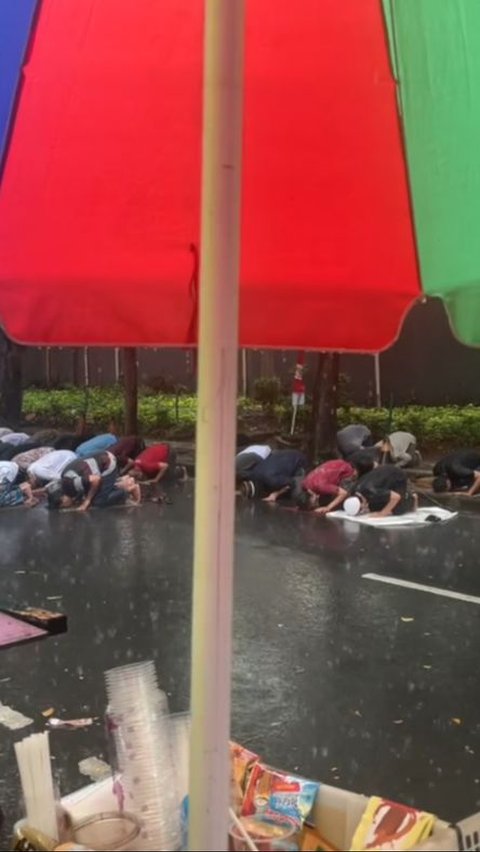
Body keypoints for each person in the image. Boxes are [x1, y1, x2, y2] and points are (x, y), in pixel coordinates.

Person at [48, 452, 140, 511]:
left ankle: (129, 489)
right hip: (101, 458)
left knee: (99, 502)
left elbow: (96, 480)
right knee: (95, 494)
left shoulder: (72, 484)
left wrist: (87, 501)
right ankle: (124, 482)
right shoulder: (65, 481)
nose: (66, 506)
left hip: (107, 464)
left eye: (64, 505)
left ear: (63, 498)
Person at [296, 451, 375, 514]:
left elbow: (344, 493)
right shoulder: (305, 483)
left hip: (347, 471)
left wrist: (328, 508)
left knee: (347, 496)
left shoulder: (320, 486)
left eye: (314, 505)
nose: (315, 506)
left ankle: (361, 504)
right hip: (341, 465)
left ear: (312, 494)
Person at [345, 465, 416, 518]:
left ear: (362, 503)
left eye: (361, 510)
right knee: (375, 507)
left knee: (397, 510)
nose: (363, 512)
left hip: (397, 476)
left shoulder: (372, 491)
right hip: (382, 477)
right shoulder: (353, 491)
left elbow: (396, 497)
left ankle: (412, 498)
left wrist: (382, 514)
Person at [242, 449, 308, 502]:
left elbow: (291, 482)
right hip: (286, 455)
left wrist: (276, 494)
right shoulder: (254, 473)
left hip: (299, 461)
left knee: (297, 495)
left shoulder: (271, 480)